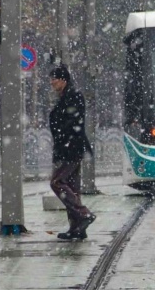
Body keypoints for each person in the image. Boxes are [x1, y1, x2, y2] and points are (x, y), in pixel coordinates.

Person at [48, 65, 96, 240]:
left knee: (57, 182)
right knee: (72, 188)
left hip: (70, 149)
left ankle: (84, 214)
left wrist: (64, 140)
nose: (52, 83)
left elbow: (74, 122)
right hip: (69, 148)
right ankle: (77, 228)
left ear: (63, 80)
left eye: (54, 79)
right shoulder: (65, 97)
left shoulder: (73, 96)